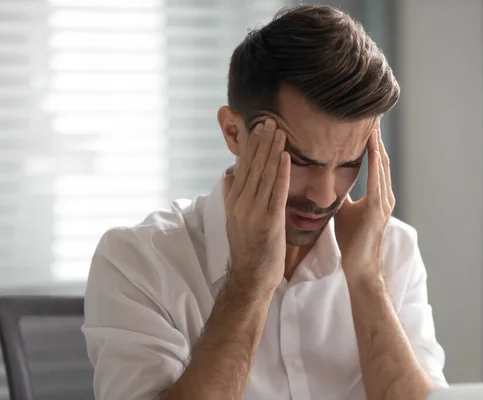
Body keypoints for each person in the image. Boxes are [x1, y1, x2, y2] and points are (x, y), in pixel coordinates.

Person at [82, 4, 447, 400]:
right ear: (233, 132)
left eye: (349, 163)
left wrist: (365, 278)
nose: (324, 196)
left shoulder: (392, 249)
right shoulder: (138, 261)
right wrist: (250, 281)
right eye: (300, 161)